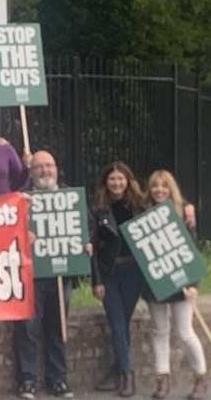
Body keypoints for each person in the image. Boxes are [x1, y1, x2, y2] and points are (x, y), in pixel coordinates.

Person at [13, 150, 92, 399]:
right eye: (38, 167)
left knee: (58, 329)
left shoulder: (70, 197)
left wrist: (87, 244)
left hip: (61, 274)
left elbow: (86, 226)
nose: (44, 171)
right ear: (31, 171)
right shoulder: (22, 198)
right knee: (27, 328)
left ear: (56, 168)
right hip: (31, 275)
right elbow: (6, 230)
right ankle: (27, 380)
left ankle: (58, 379)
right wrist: (23, 234)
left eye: (49, 165)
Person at [142, 170, 207, 399]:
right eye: (155, 186)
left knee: (185, 331)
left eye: (164, 186)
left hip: (182, 281)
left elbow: (192, 253)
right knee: (159, 332)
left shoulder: (183, 215)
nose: (159, 190)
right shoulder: (144, 214)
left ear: (171, 189)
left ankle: (200, 378)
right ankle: (162, 381)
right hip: (156, 280)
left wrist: (194, 286)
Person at [89, 161, 146, 397]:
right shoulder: (97, 209)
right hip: (109, 273)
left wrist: (187, 206)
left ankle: (115, 373)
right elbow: (91, 248)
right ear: (105, 182)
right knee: (117, 323)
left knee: (122, 323)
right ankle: (127, 377)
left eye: (120, 179)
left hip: (133, 273)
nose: (116, 183)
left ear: (128, 180)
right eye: (112, 179)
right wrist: (96, 281)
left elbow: (167, 203)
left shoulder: (140, 205)